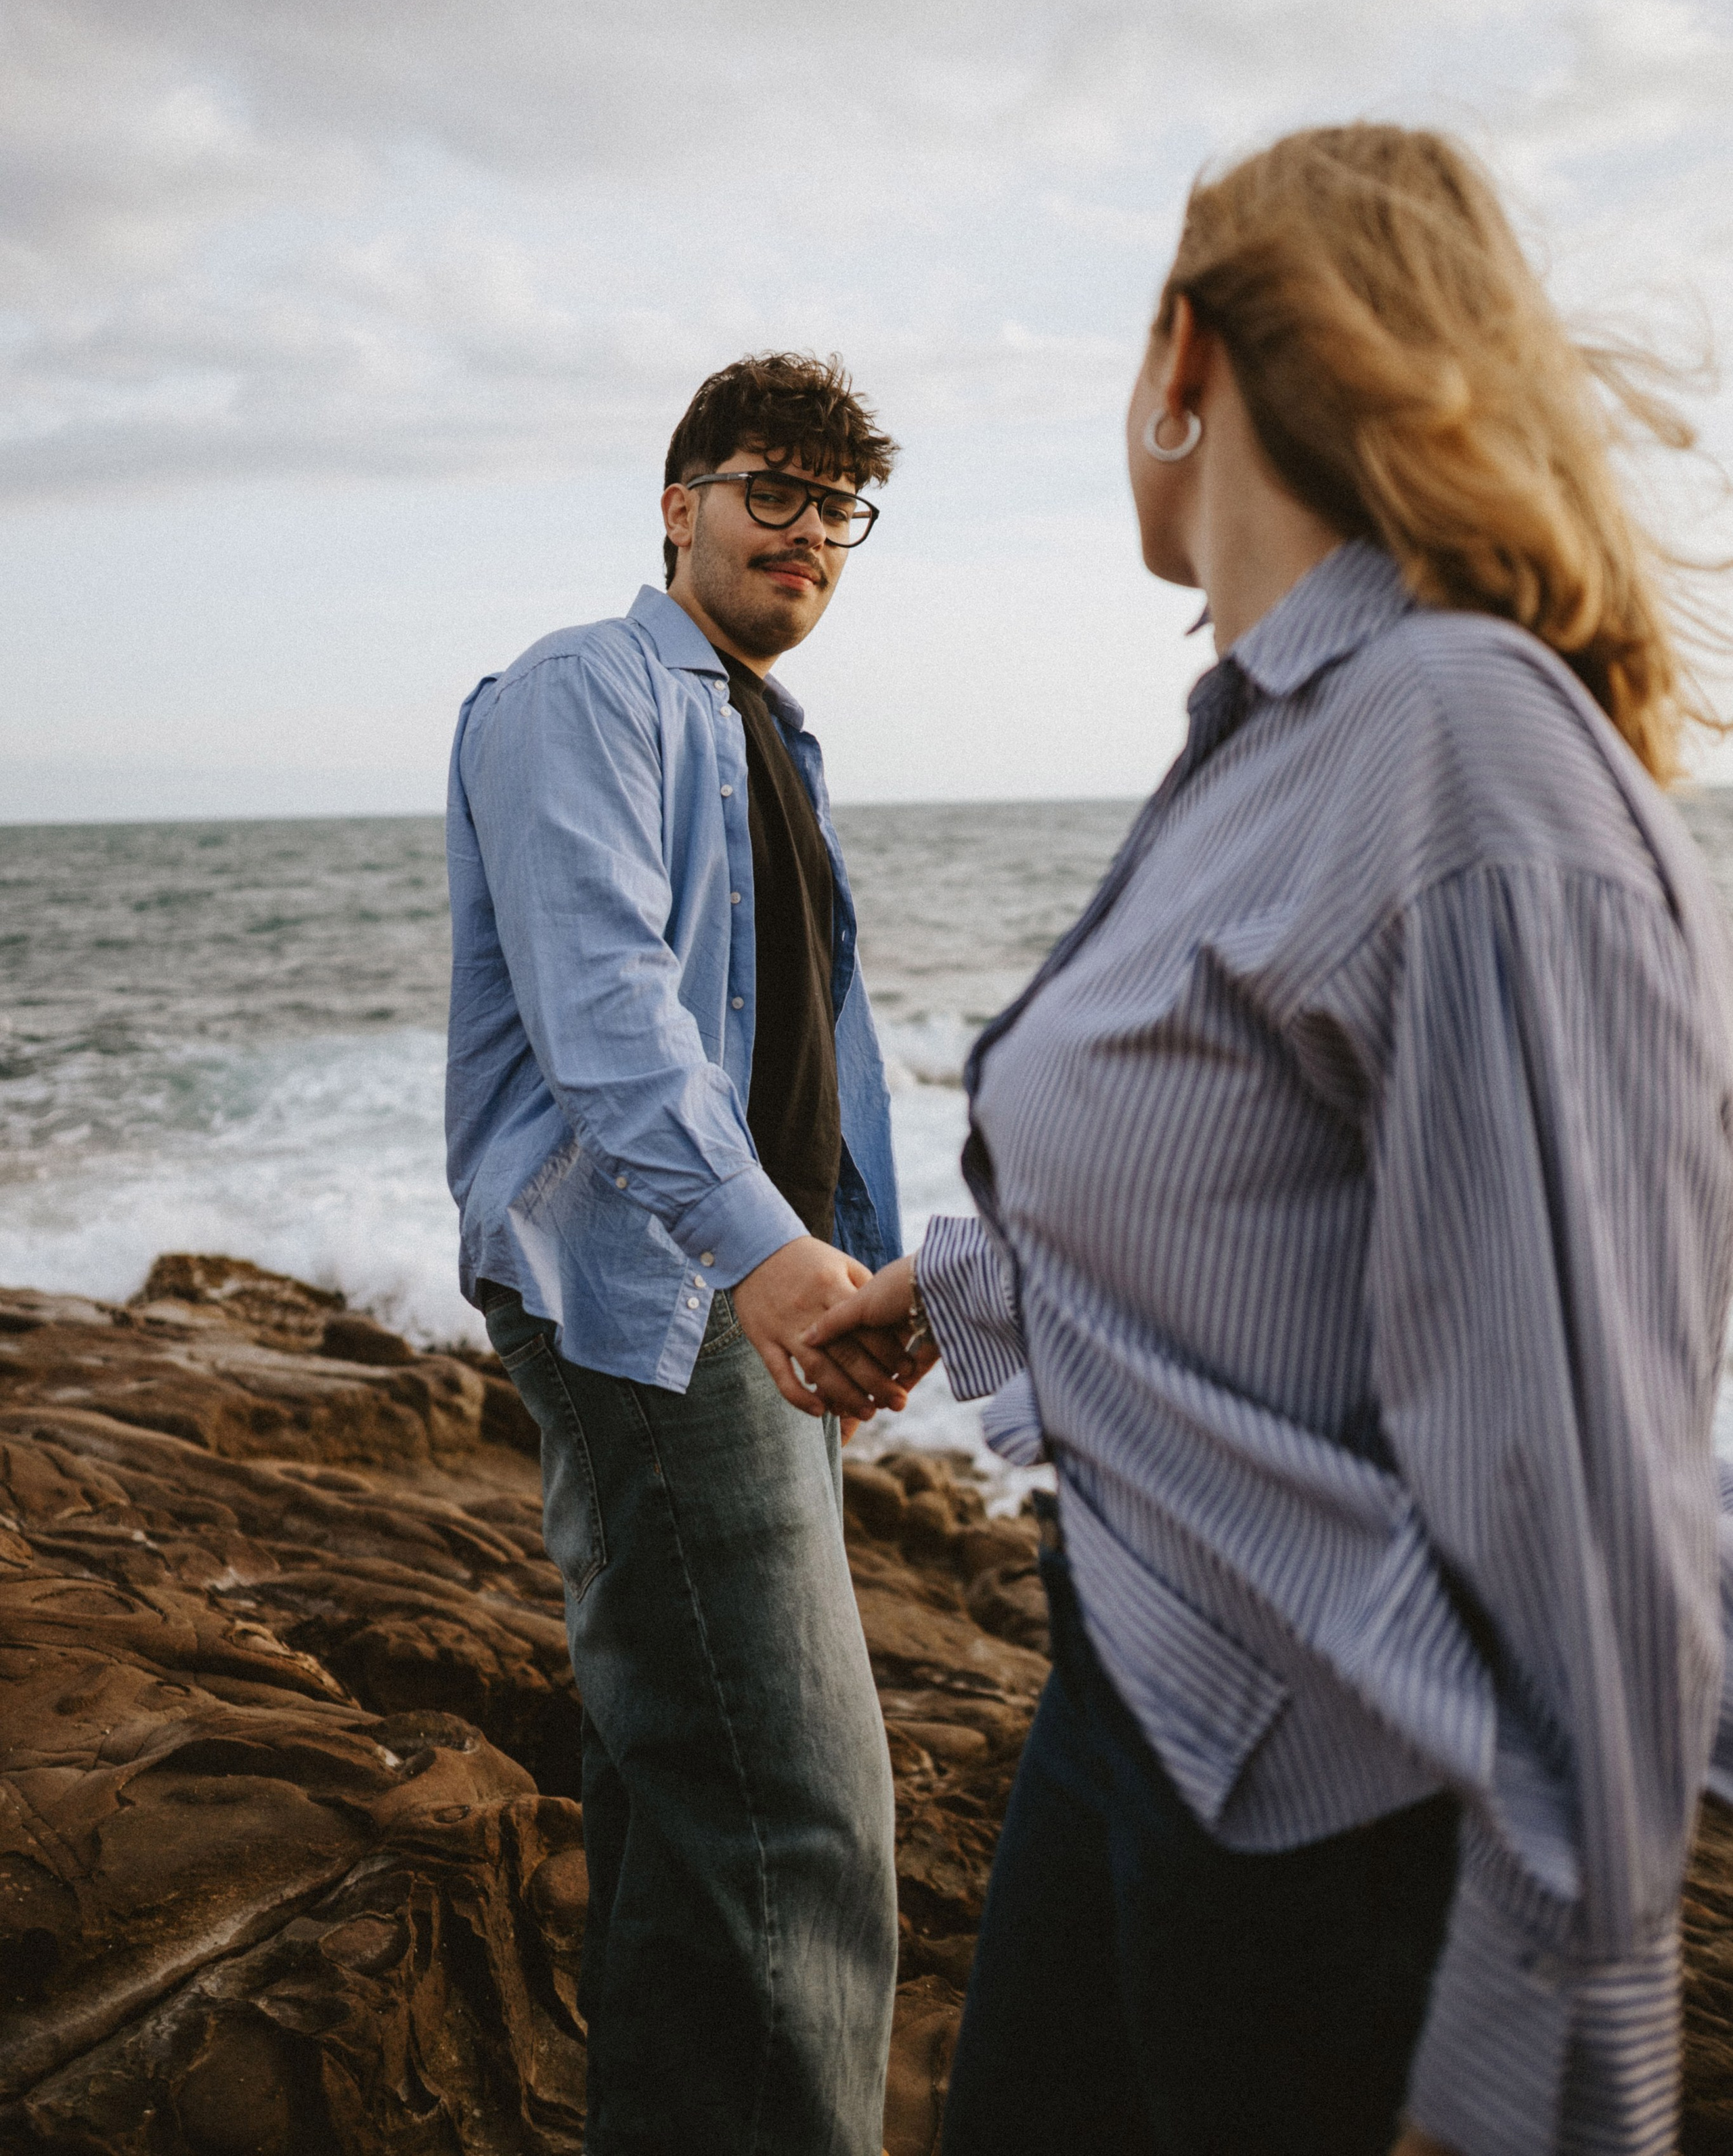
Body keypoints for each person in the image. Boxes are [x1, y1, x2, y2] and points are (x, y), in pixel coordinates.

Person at [807, 127, 1733, 2156]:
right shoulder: (1278, 732)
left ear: (1188, 354)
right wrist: (954, 1288)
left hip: (1335, 1828)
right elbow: (1236, 1195)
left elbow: (1585, 1485)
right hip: (1138, 1699)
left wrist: (1549, 2067)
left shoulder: (1466, 748)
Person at [445, 352, 920, 2156]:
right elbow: (610, 1015)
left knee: (684, 1798)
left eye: (837, 507)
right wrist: (765, 1264)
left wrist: (847, 1279)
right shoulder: (589, 689)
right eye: (769, 491)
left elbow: (809, 1044)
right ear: (678, 506)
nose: (808, 531)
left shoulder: (768, 735)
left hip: (744, 1291)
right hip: (655, 1288)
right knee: (802, 1825)